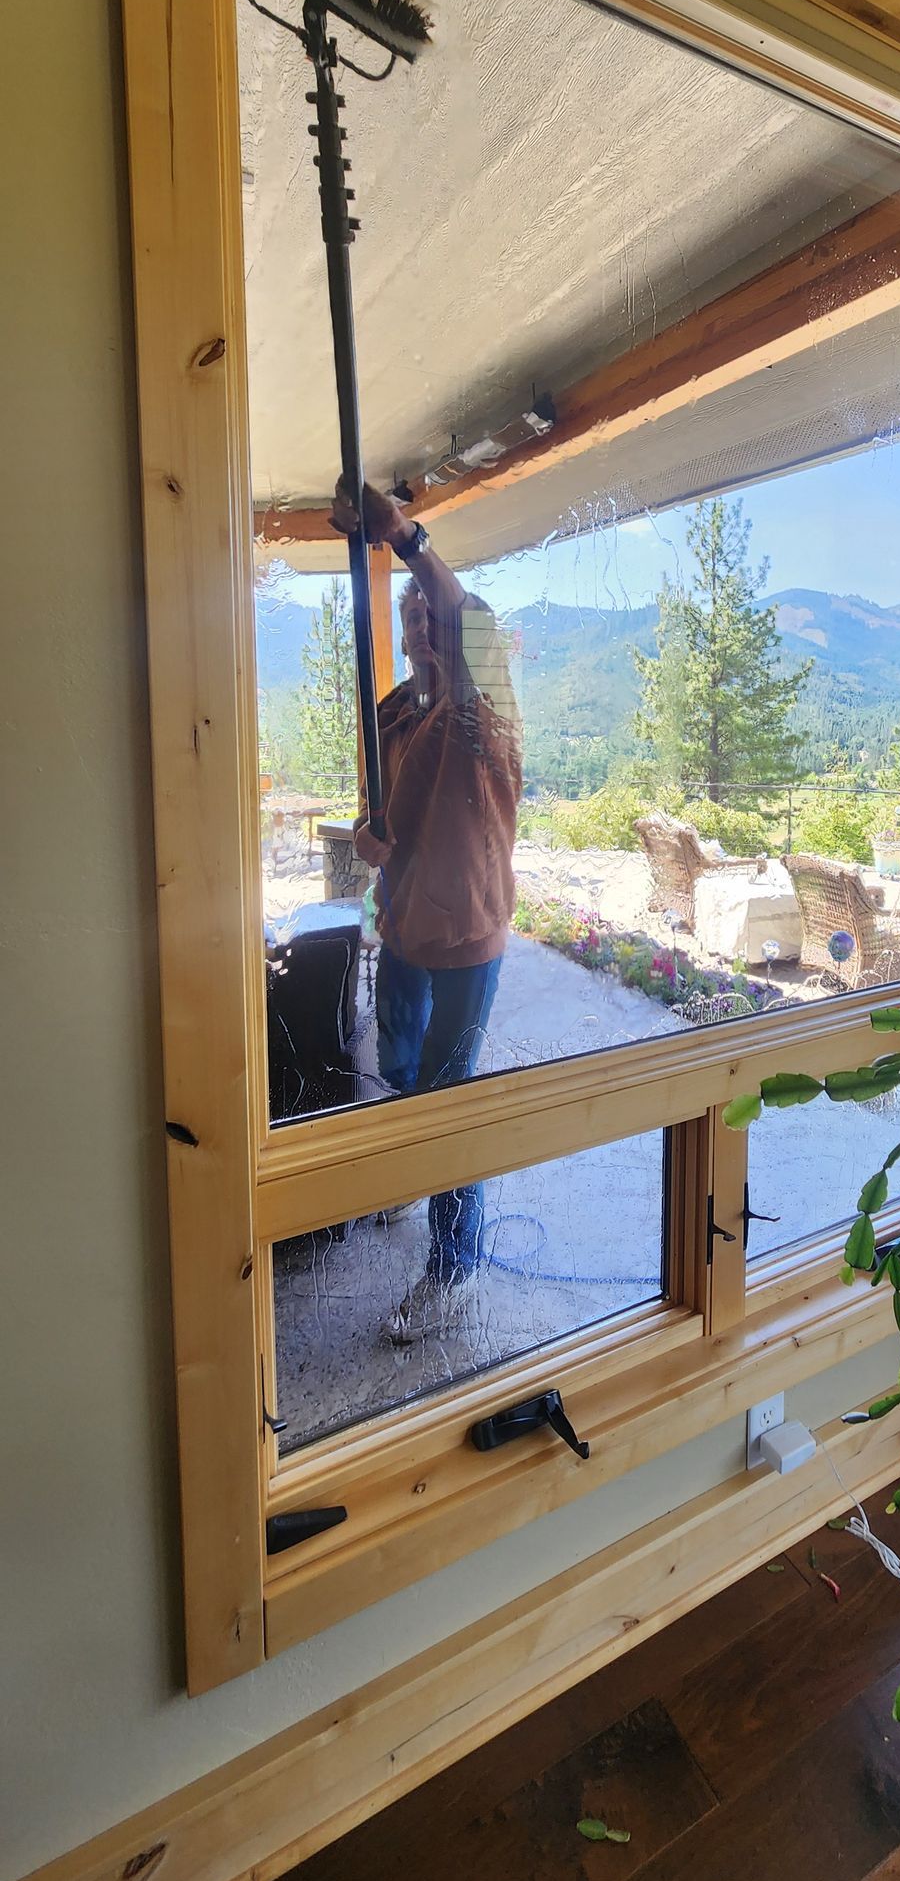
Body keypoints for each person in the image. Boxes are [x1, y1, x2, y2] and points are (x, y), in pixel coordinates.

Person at [330, 479, 522, 1298]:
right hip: (402, 928)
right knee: (400, 1072)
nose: (419, 615)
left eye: (427, 606)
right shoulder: (397, 711)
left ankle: (452, 1269)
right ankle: (409, 1178)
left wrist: (403, 537)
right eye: (408, 608)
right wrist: (371, 840)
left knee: (450, 1102)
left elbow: (472, 618)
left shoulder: (487, 712)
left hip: (468, 941)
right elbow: (379, 817)